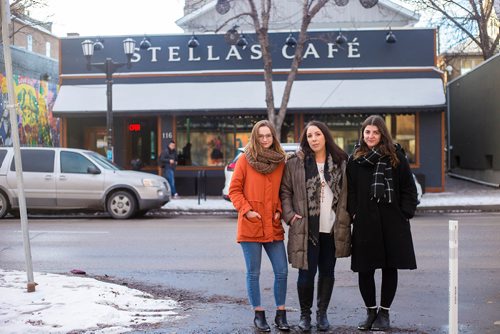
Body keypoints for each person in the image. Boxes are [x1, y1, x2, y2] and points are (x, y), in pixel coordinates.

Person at [346, 115, 418, 331]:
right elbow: (350, 192)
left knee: (389, 267)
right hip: (365, 222)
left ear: (382, 134)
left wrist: (405, 212)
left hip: (392, 221)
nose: (370, 136)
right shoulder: (355, 159)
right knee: (365, 269)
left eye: (375, 132)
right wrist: (355, 213)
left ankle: (384, 313)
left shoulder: (396, 157)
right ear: (363, 134)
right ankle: (370, 312)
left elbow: (408, 188)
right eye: (367, 132)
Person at [280, 121, 351, 332]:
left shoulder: (340, 161)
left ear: (325, 136)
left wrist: (347, 217)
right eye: (309, 136)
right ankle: (305, 316)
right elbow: (285, 191)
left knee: (328, 272)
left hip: (331, 228)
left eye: (317, 134)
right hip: (306, 230)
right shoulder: (295, 163)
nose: (313, 139)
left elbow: (348, 193)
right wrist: (290, 216)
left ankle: (322, 314)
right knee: (306, 275)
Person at [228, 120, 290, 332]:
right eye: (261, 136)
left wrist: (279, 210)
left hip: (272, 225)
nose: (265, 139)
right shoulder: (245, 159)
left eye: (268, 136)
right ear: (255, 137)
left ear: (274, 137)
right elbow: (234, 190)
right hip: (251, 224)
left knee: (282, 270)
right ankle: (259, 313)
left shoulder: (281, 162)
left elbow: (283, 191)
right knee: (253, 273)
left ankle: (281, 314)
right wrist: (247, 211)